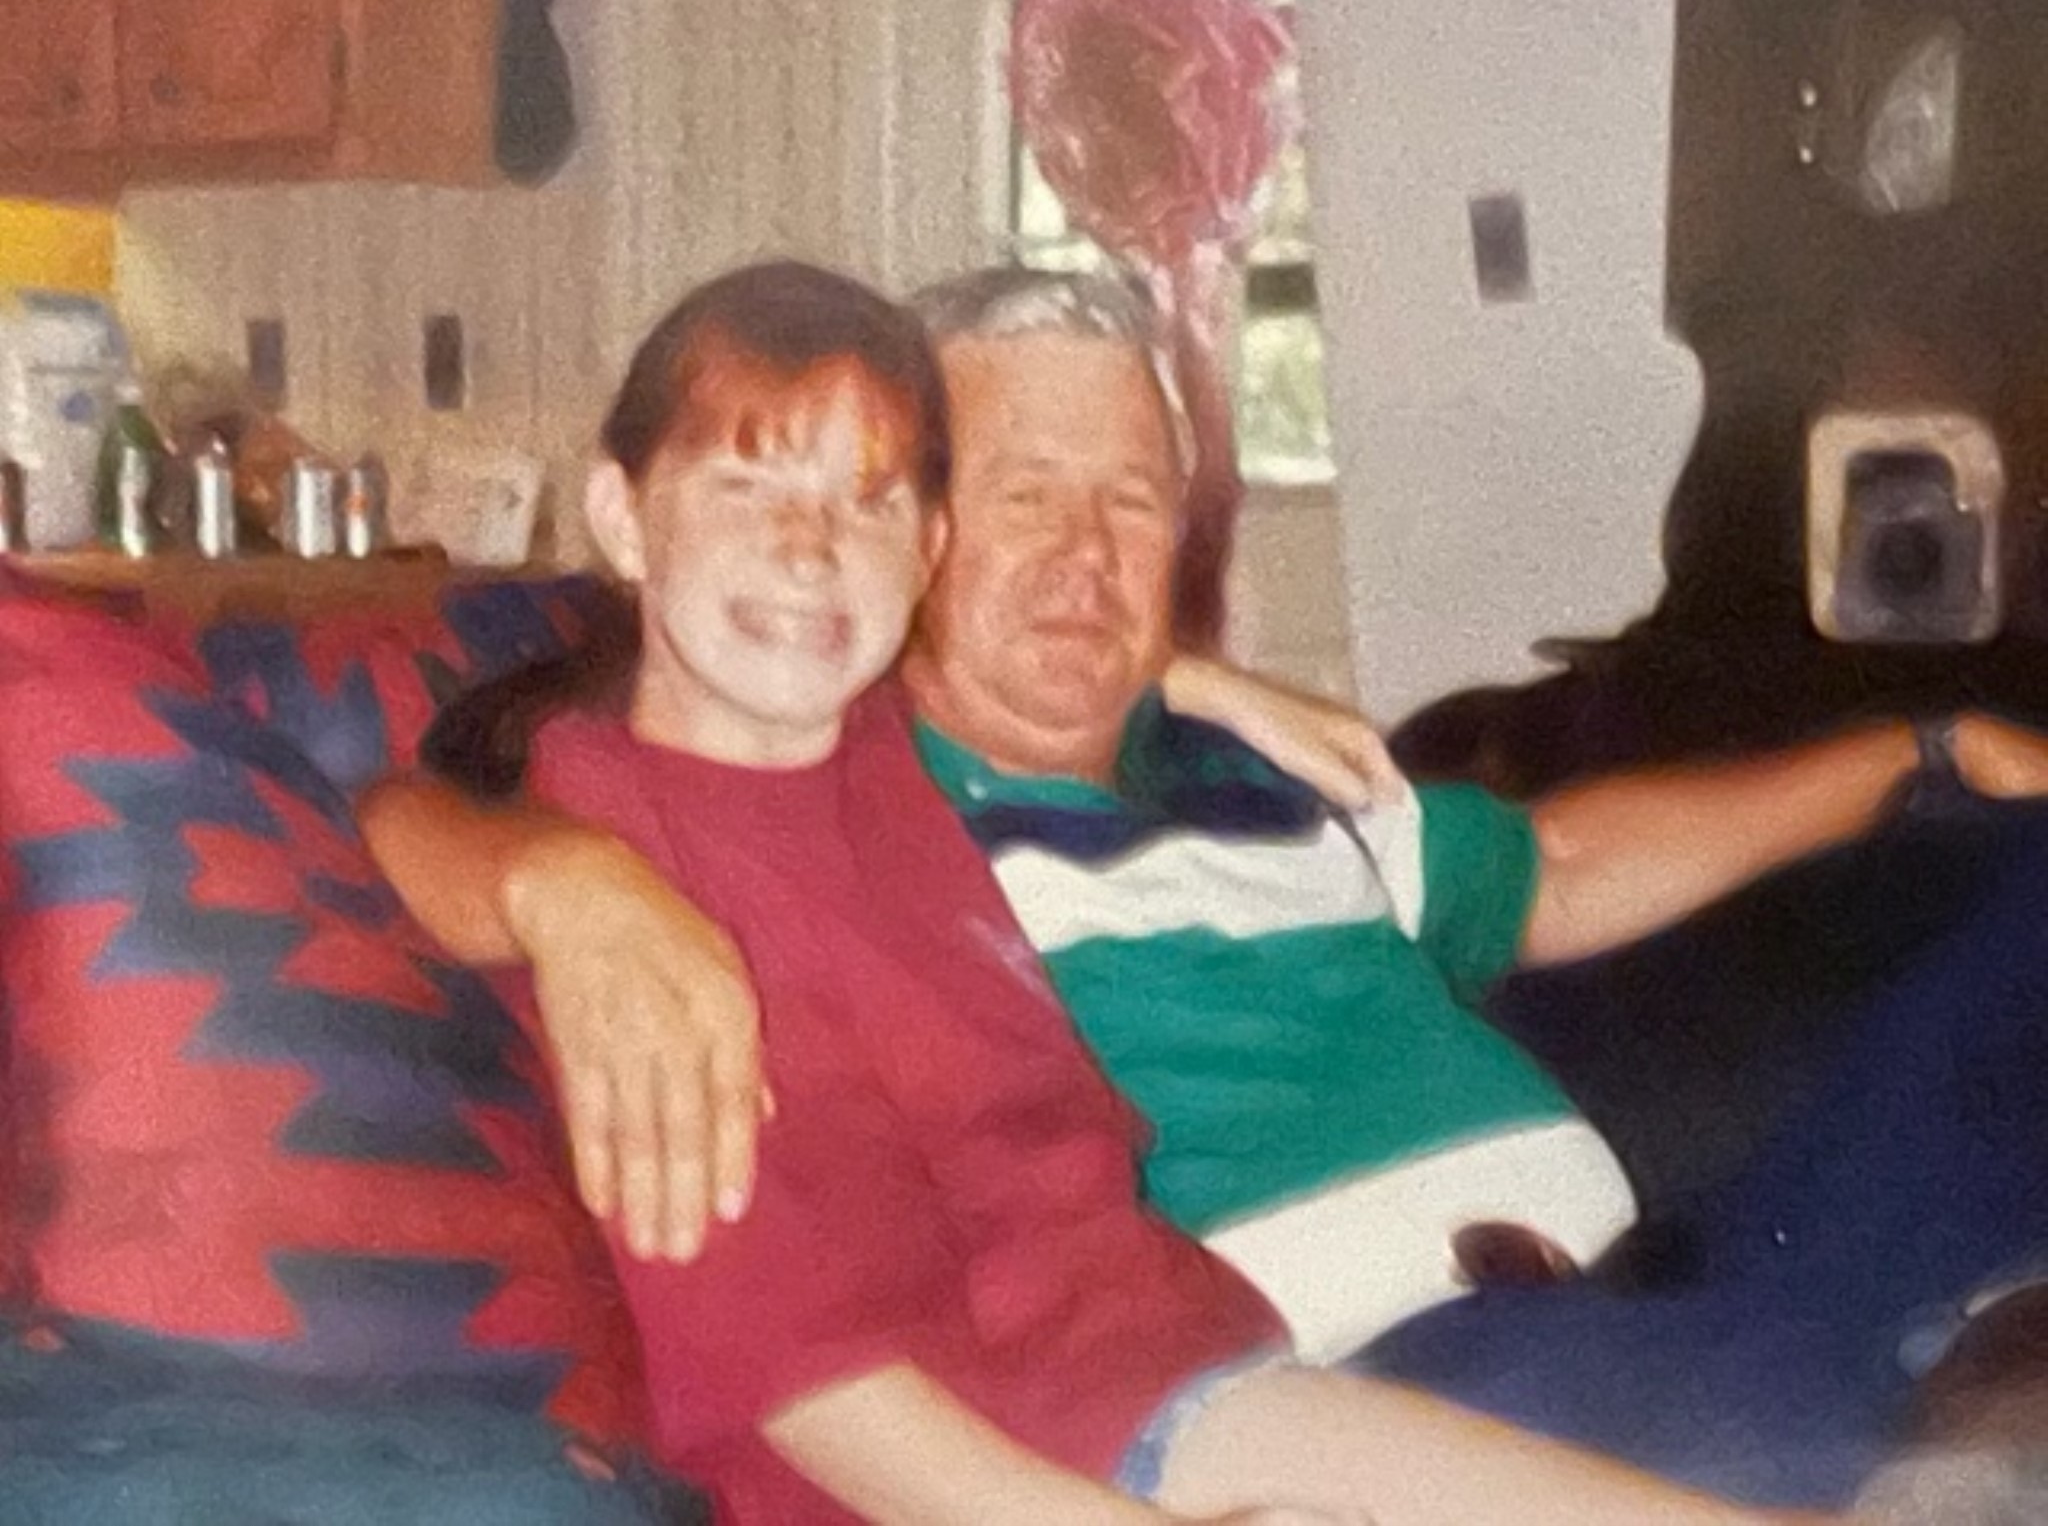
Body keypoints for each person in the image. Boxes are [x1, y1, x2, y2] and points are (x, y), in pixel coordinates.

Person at [366, 266, 2048, 1506]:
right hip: (1387, 1364)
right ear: (935, 539)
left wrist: (1917, 752)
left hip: (1649, 1288)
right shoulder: (821, 790)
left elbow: (1562, 865)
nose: (1084, 555)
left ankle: (1962, 1394)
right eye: (1026, 493)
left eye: (1133, 501)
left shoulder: (1242, 770)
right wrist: (566, 883)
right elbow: (418, 800)